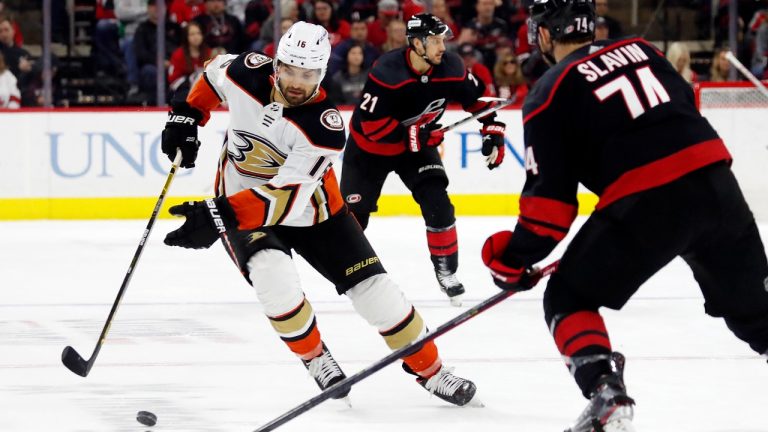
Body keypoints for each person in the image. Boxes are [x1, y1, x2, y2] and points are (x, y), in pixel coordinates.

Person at [480, 1, 768, 431]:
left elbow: (549, 211)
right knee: (757, 315)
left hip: (647, 201)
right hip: (715, 183)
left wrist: (513, 258)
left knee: (567, 298)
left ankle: (605, 394)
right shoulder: (644, 50)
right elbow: (681, 112)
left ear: (544, 34)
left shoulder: (548, 92)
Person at [159, 21, 478, 407]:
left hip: (314, 212)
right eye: (290, 69)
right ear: (276, 62)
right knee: (273, 280)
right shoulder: (246, 70)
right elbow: (211, 75)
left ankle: (432, 370)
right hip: (243, 201)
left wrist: (220, 216)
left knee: (379, 296)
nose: (296, 81)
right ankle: (315, 358)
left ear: (322, 72)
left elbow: (287, 196)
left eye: (308, 74)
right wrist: (186, 115)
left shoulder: (325, 128)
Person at [340, 13, 506, 306]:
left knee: (439, 205)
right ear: (417, 43)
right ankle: (349, 272)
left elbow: (477, 98)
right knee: (354, 218)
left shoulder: (451, 66)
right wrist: (415, 135)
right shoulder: (387, 71)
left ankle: (446, 271)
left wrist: (492, 128)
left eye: (443, 39)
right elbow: (371, 126)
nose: (442, 46)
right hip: (369, 149)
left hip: (416, 146)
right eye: (435, 40)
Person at [168, 21, 212, 92]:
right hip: (183, 91)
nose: (196, 37)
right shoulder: (178, 54)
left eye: (199, 33)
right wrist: (191, 80)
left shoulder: (208, 52)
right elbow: (173, 81)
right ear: (186, 37)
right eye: (192, 34)